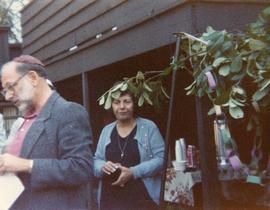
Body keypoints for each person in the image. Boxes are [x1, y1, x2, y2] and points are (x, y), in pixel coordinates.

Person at [0, 55, 93, 210]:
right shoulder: (25, 120)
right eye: (5, 91)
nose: (8, 96)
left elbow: (81, 168)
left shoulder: (68, 111)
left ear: (33, 78)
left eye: (11, 87)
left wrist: (26, 165)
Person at [94, 89, 165, 210]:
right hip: (110, 200)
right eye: (117, 102)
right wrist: (102, 166)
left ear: (134, 103)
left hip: (141, 200)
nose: (122, 107)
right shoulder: (106, 131)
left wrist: (133, 172)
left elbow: (162, 159)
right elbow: (96, 160)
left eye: (127, 102)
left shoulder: (148, 127)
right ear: (111, 105)